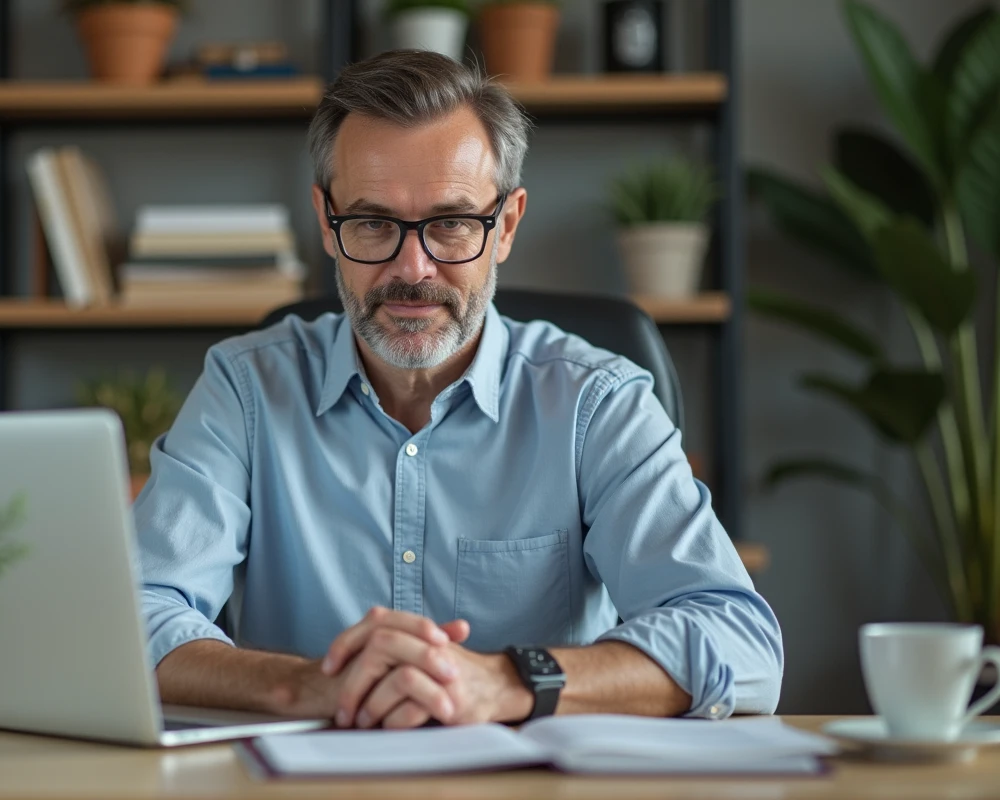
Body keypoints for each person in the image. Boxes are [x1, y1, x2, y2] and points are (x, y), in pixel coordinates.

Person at [135, 50, 783, 731]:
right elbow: (136, 614)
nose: (413, 269)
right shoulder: (244, 390)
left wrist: (508, 681)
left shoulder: (597, 402)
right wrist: (304, 687)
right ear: (327, 222)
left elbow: (739, 641)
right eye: (373, 223)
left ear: (505, 226)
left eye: (451, 224)